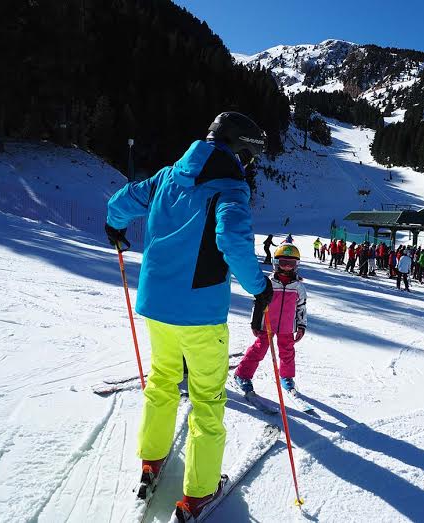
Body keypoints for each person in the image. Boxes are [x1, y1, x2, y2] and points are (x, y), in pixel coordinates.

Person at [105, 112, 273, 520]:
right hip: (200, 315)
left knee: (162, 380)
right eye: (250, 156)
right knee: (208, 399)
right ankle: (198, 491)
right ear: (240, 149)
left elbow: (121, 202)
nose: (249, 164)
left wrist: (115, 226)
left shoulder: (167, 176)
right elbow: (231, 240)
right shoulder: (231, 188)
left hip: (157, 306)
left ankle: (151, 459)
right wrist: (260, 288)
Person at [235, 242, 307, 393]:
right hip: (266, 323)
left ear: (296, 265)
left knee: (287, 352)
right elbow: (259, 303)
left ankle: (286, 377)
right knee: (259, 350)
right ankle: (242, 374)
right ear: (276, 263)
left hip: (287, 326)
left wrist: (301, 326)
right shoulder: (268, 282)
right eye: (283, 262)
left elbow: (301, 307)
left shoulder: (298, 286)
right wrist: (255, 323)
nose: (287, 266)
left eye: (291, 263)